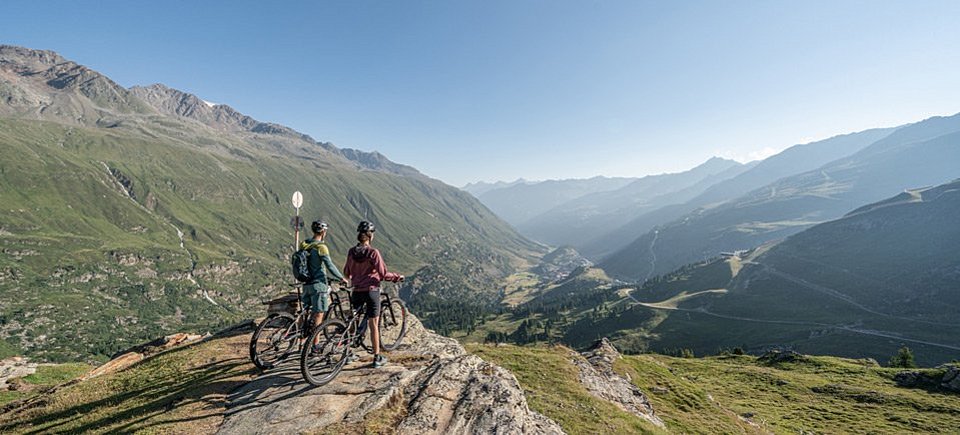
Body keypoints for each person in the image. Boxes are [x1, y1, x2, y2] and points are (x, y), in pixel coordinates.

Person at [342, 220, 404, 368]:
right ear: (370, 236)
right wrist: (396, 277)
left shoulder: (351, 252)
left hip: (356, 290)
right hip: (371, 291)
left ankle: (348, 353)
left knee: (353, 321)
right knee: (373, 323)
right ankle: (376, 357)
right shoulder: (373, 253)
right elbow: (382, 274)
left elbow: (346, 272)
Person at [301, 220, 345, 350]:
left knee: (305, 312)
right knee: (319, 313)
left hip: (306, 283)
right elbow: (329, 265)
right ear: (324, 232)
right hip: (318, 285)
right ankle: (315, 345)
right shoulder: (321, 247)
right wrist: (341, 278)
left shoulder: (305, 244)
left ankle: (299, 340)